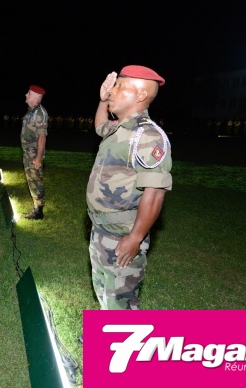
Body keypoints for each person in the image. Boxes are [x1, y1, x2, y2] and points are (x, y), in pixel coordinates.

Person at [86, 65, 172, 310]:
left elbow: (155, 193)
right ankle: (105, 329)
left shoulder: (148, 136)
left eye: (120, 86)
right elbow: (100, 126)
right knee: (104, 292)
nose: (112, 91)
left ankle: (120, 334)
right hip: (101, 229)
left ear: (141, 95)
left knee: (122, 305)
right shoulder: (120, 128)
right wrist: (102, 100)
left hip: (121, 235)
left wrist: (135, 237)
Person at [20, 85, 49, 219]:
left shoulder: (39, 113)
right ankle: (36, 208)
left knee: (35, 180)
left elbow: (42, 136)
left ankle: (38, 211)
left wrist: (38, 158)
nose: (26, 95)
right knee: (32, 180)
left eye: (29, 93)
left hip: (34, 152)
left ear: (36, 97)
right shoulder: (31, 111)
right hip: (28, 152)